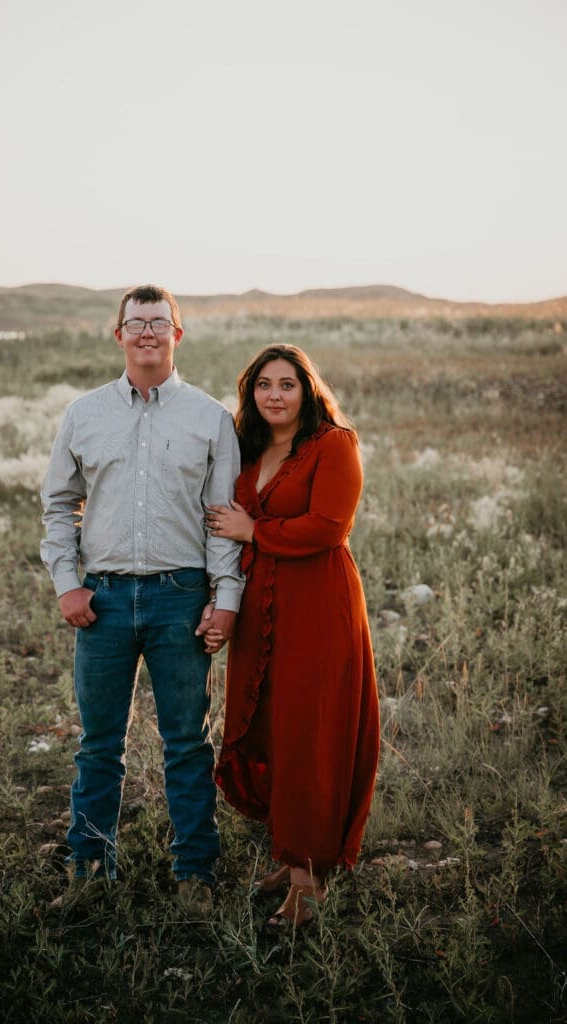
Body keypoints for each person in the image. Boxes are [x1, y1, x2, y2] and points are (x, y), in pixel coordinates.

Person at [40, 284, 244, 912]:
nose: (147, 332)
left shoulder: (210, 417)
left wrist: (226, 596)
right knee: (99, 743)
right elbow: (58, 503)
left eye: (160, 322)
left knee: (186, 740)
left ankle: (195, 875)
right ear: (119, 334)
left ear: (177, 335)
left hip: (180, 598)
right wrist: (67, 582)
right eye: (136, 322)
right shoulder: (84, 413)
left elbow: (223, 517)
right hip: (100, 601)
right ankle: (89, 870)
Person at [205, 344, 380, 929]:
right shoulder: (248, 446)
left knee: (311, 730)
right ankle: (289, 850)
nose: (274, 395)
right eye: (263, 385)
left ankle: (308, 878)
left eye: (287, 384)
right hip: (261, 605)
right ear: (250, 392)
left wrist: (254, 528)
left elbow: (330, 527)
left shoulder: (334, 445)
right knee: (272, 724)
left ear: (308, 390)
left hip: (317, 604)